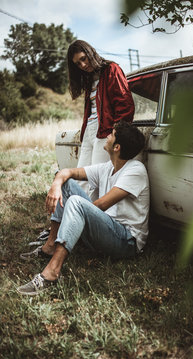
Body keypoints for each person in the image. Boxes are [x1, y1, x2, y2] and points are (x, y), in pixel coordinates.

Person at [17, 121, 149, 296]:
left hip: (127, 241)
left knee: (76, 203)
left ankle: (52, 273)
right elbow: (67, 172)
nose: (107, 136)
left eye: (111, 134)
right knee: (67, 184)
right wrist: (57, 184)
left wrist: (75, 219)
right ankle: (50, 246)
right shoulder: (108, 167)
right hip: (107, 230)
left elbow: (102, 205)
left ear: (117, 147)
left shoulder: (135, 170)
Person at [68, 39, 135, 171]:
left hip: (105, 130)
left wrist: (116, 133)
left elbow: (125, 104)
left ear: (91, 53)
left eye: (84, 58)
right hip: (88, 130)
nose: (82, 64)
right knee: (82, 175)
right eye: (77, 63)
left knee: (96, 175)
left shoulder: (111, 69)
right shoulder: (88, 79)